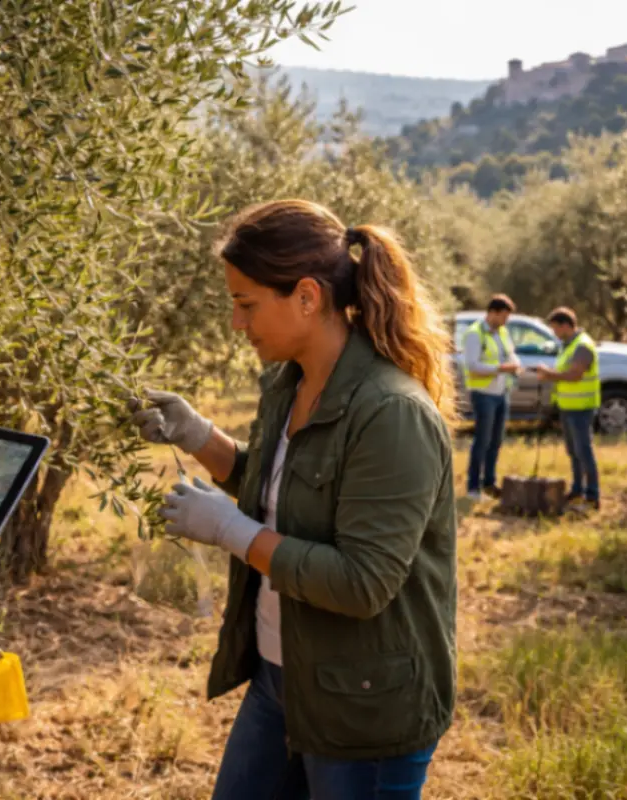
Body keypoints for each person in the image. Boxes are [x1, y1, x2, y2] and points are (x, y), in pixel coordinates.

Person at [129, 199, 457, 800]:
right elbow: (282, 490)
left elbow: (363, 582)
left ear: (307, 296)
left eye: (246, 304)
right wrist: (200, 436)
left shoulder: (390, 414)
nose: (236, 323)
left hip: (365, 709)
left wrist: (231, 531)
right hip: (285, 677)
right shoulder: (292, 383)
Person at [536, 306, 601, 511]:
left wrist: (549, 375)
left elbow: (575, 375)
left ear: (566, 326)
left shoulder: (583, 346)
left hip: (581, 408)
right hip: (568, 407)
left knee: (584, 451)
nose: (554, 333)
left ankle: (592, 497)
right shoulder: (568, 345)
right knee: (573, 452)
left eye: (555, 329)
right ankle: (577, 491)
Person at [461, 294, 522, 501]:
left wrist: (515, 365)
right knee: (482, 441)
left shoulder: (502, 332)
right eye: (504, 317)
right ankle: (473, 488)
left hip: (501, 393)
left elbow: (510, 354)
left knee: (496, 441)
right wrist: (501, 368)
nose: (506, 321)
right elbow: (472, 365)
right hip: (484, 395)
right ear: (493, 313)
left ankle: (489, 483)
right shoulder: (474, 334)